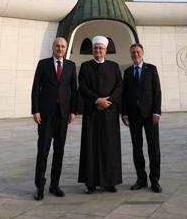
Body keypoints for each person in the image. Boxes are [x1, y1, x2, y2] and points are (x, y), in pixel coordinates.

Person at [31, 37, 78, 200]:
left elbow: (74, 90)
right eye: (57, 46)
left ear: (66, 49)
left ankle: (54, 185)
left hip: (63, 115)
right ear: (53, 47)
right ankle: (40, 186)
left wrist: (73, 110)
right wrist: (35, 110)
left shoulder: (71, 66)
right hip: (45, 115)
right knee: (43, 150)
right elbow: (36, 88)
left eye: (63, 46)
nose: (60, 48)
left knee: (59, 151)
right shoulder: (43, 64)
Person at [78, 35, 123, 193]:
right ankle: (90, 183)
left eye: (101, 48)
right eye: (96, 48)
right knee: (91, 146)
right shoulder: (85, 67)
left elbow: (119, 86)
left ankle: (110, 181)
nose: (98, 50)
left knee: (109, 147)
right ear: (92, 50)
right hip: (92, 112)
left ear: (106, 50)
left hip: (109, 113)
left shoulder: (114, 66)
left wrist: (108, 101)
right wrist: (97, 100)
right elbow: (82, 87)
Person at [122, 43, 162, 193]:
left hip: (150, 115)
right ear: (130, 54)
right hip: (133, 116)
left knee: (153, 147)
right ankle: (141, 178)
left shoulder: (151, 69)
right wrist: (124, 113)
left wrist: (157, 112)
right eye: (133, 52)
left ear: (143, 53)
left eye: (138, 52)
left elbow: (157, 91)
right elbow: (124, 95)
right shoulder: (127, 72)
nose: (135, 54)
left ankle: (155, 179)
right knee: (137, 148)